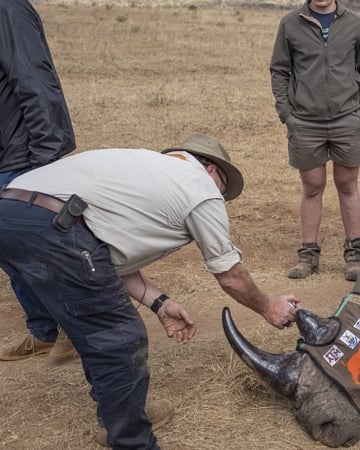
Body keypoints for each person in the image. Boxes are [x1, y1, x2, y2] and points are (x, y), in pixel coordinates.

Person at [0, 133, 300, 448]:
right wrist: (269, 307)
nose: (222, 200)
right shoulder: (199, 187)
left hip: (11, 213)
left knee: (90, 323)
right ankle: (132, 440)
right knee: (118, 338)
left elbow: (101, 257)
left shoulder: (146, 171)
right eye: (224, 191)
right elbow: (230, 276)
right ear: (211, 169)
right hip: (55, 226)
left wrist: (159, 303)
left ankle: (122, 414)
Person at [271, 0, 360, 282]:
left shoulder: (354, 24)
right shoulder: (290, 24)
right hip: (305, 121)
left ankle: (354, 253)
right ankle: (308, 254)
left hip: (347, 119)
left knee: (347, 184)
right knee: (312, 186)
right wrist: (287, 114)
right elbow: (280, 70)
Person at [0, 0, 77, 362]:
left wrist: (45, 166)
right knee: (9, 254)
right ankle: (43, 330)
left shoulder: (7, 8)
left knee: (41, 251)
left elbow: (35, 82)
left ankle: (76, 331)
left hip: (19, 159)